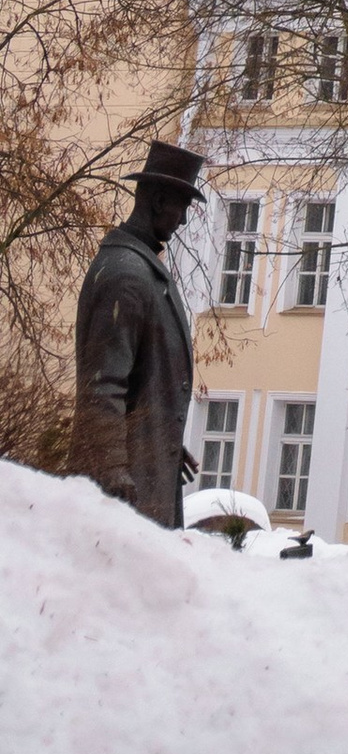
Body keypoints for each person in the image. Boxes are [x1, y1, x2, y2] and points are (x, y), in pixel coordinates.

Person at [67, 141, 207, 525]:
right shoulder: (127, 275)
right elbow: (103, 386)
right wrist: (113, 468)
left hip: (144, 474)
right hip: (125, 492)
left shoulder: (142, 270)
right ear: (160, 201)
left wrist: (161, 438)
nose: (182, 221)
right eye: (182, 208)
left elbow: (142, 379)